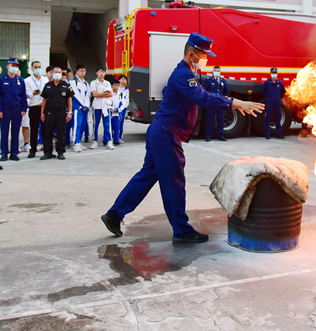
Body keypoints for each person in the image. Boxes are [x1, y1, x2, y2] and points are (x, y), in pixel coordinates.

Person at [100, 33, 265, 243]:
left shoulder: (187, 74)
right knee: (174, 181)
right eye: (204, 55)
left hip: (161, 131)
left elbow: (202, 93)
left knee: (147, 176)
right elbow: (203, 98)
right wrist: (236, 103)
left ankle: (114, 214)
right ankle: (181, 229)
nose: (206, 59)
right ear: (192, 53)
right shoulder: (182, 75)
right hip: (165, 134)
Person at [0, 58, 27, 162]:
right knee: (4, 132)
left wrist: (24, 108)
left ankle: (14, 153)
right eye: (12, 65)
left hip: (17, 110)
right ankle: (4, 153)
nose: (14, 67)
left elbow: (23, 96)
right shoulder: (1, 80)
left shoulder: (20, 81)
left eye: (16, 66)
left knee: (16, 131)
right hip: (5, 110)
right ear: (7, 66)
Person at [40, 67, 74, 160]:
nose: (58, 74)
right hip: (49, 112)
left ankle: (60, 152)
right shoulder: (48, 85)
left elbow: (69, 99)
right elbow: (44, 100)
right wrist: (42, 113)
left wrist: (69, 112)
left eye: (60, 72)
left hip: (61, 112)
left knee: (61, 133)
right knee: (47, 133)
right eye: (56, 72)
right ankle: (48, 152)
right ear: (52, 73)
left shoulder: (66, 85)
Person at [203, 66, 230, 141]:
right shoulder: (208, 80)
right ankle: (208, 136)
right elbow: (203, 89)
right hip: (211, 103)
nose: (216, 72)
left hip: (220, 103)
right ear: (213, 71)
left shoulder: (223, 81)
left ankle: (220, 135)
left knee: (221, 120)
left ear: (220, 72)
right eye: (215, 70)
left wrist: (225, 98)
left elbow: (227, 90)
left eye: (218, 71)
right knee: (210, 120)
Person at [24, 61, 45, 158]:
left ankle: (47, 150)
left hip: (44, 107)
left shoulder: (44, 80)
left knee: (46, 129)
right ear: (32, 68)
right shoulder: (27, 81)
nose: (37, 69)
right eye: (35, 67)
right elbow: (27, 94)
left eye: (39, 67)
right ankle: (33, 149)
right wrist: (34, 93)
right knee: (34, 129)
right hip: (33, 106)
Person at [90, 67, 112, 149]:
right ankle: (94, 141)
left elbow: (110, 94)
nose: (101, 73)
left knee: (107, 124)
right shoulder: (94, 83)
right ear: (97, 73)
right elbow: (95, 94)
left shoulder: (107, 83)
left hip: (105, 106)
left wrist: (101, 94)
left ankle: (108, 140)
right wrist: (104, 93)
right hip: (97, 106)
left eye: (103, 72)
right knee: (96, 124)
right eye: (100, 72)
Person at [261, 67, 286, 139]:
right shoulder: (267, 83)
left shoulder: (279, 83)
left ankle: (278, 133)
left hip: (277, 103)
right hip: (270, 103)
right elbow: (262, 92)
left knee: (278, 118)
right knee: (268, 118)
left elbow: (282, 92)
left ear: (277, 74)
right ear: (270, 74)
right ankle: (267, 134)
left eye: (275, 73)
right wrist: (269, 98)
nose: (274, 74)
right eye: (273, 73)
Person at [71, 64, 90, 152]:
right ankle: (76, 142)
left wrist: (86, 105)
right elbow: (75, 95)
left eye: (84, 71)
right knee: (77, 125)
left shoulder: (86, 83)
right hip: (77, 107)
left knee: (82, 125)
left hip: (85, 108)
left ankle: (79, 141)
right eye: (81, 71)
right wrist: (82, 105)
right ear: (77, 72)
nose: (83, 73)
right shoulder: (73, 82)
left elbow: (88, 96)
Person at [108, 81, 124, 146]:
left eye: (118, 85)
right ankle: (109, 139)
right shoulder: (109, 93)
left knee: (117, 127)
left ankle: (116, 139)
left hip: (117, 113)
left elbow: (122, 103)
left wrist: (118, 109)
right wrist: (112, 109)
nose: (116, 87)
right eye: (115, 85)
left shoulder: (120, 94)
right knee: (110, 127)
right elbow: (108, 102)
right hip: (111, 113)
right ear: (112, 86)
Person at [118, 75, 129, 143]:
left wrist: (123, 107)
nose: (123, 81)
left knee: (121, 123)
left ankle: (120, 137)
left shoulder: (126, 90)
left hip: (123, 108)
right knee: (116, 123)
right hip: (116, 107)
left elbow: (126, 101)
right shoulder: (116, 88)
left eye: (125, 79)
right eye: (122, 79)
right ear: (119, 80)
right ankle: (114, 136)